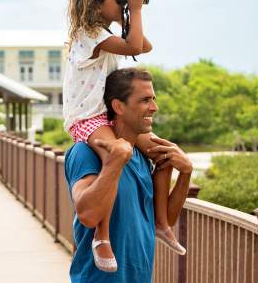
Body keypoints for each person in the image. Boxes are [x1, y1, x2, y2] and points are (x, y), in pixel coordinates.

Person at [63, 0, 184, 272]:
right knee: (116, 152)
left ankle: (160, 222)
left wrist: (130, 15)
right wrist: (135, 7)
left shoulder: (105, 36)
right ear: (96, 2)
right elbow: (134, 47)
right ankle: (101, 237)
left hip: (104, 115)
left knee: (162, 152)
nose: (123, 3)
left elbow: (143, 46)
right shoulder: (88, 34)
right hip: (88, 117)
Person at [65, 67, 193, 282]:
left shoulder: (143, 157)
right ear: (118, 106)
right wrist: (115, 162)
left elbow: (165, 220)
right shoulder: (84, 152)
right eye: (144, 100)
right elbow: (87, 214)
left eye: (153, 99)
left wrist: (186, 172)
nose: (154, 107)